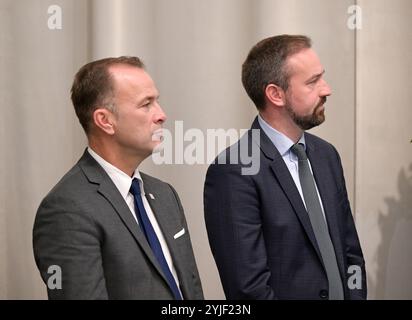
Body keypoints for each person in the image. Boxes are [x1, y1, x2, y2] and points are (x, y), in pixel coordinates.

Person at [204, 35, 367, 300]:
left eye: (321, 78)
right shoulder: (234, 171)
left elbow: (351, 254)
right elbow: (248, 288)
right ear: (275, 94)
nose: (326, 89)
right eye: (312, 82)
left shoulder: (327, 156)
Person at [33, 56, 204, 300]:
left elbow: (191, 289)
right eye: (146, 104)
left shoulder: (165, 195)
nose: (161, 115)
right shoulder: (66, 209)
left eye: (157, 101)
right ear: (105, 120)